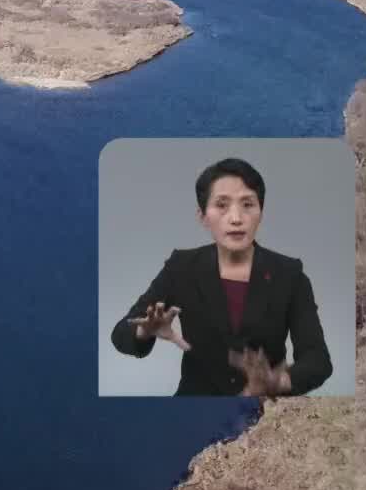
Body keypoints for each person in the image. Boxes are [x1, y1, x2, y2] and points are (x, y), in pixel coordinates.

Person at [109, 157, 332, 396]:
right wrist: (144, 331)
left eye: (248, 204)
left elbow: (317, 360)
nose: (236, 218)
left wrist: (277, 381)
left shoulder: (289, 275)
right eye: (222, 205)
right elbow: (121, 333)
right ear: (203, 215)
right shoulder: (181, 267)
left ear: (261, 212)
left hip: (265, 414)